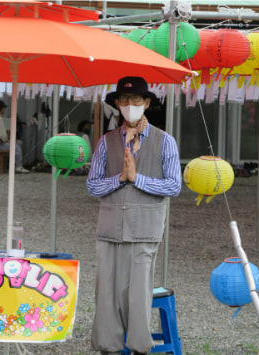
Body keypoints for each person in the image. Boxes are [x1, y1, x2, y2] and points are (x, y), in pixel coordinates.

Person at [86, 76, 181, 355]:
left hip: (145, 230)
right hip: (110, 229)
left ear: (147, 103)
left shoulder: (166, 142)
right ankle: (108, 348)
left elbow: (173, 186)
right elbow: (93, 185)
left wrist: (137, 179)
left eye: (136, 100)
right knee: (106, 294)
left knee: (138, 294)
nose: (130, 105)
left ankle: (140, 348)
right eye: (124, 100)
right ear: (117, 104)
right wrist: (120, 179)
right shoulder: (106, 142)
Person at [0, 99, 30, 173]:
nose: (4, 110)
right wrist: (8, 140)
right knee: (17, 147)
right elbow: (2, 135)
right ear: (0, 109)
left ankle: (14, 164)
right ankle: (18, 166)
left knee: (18, 143)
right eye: (4, 108)